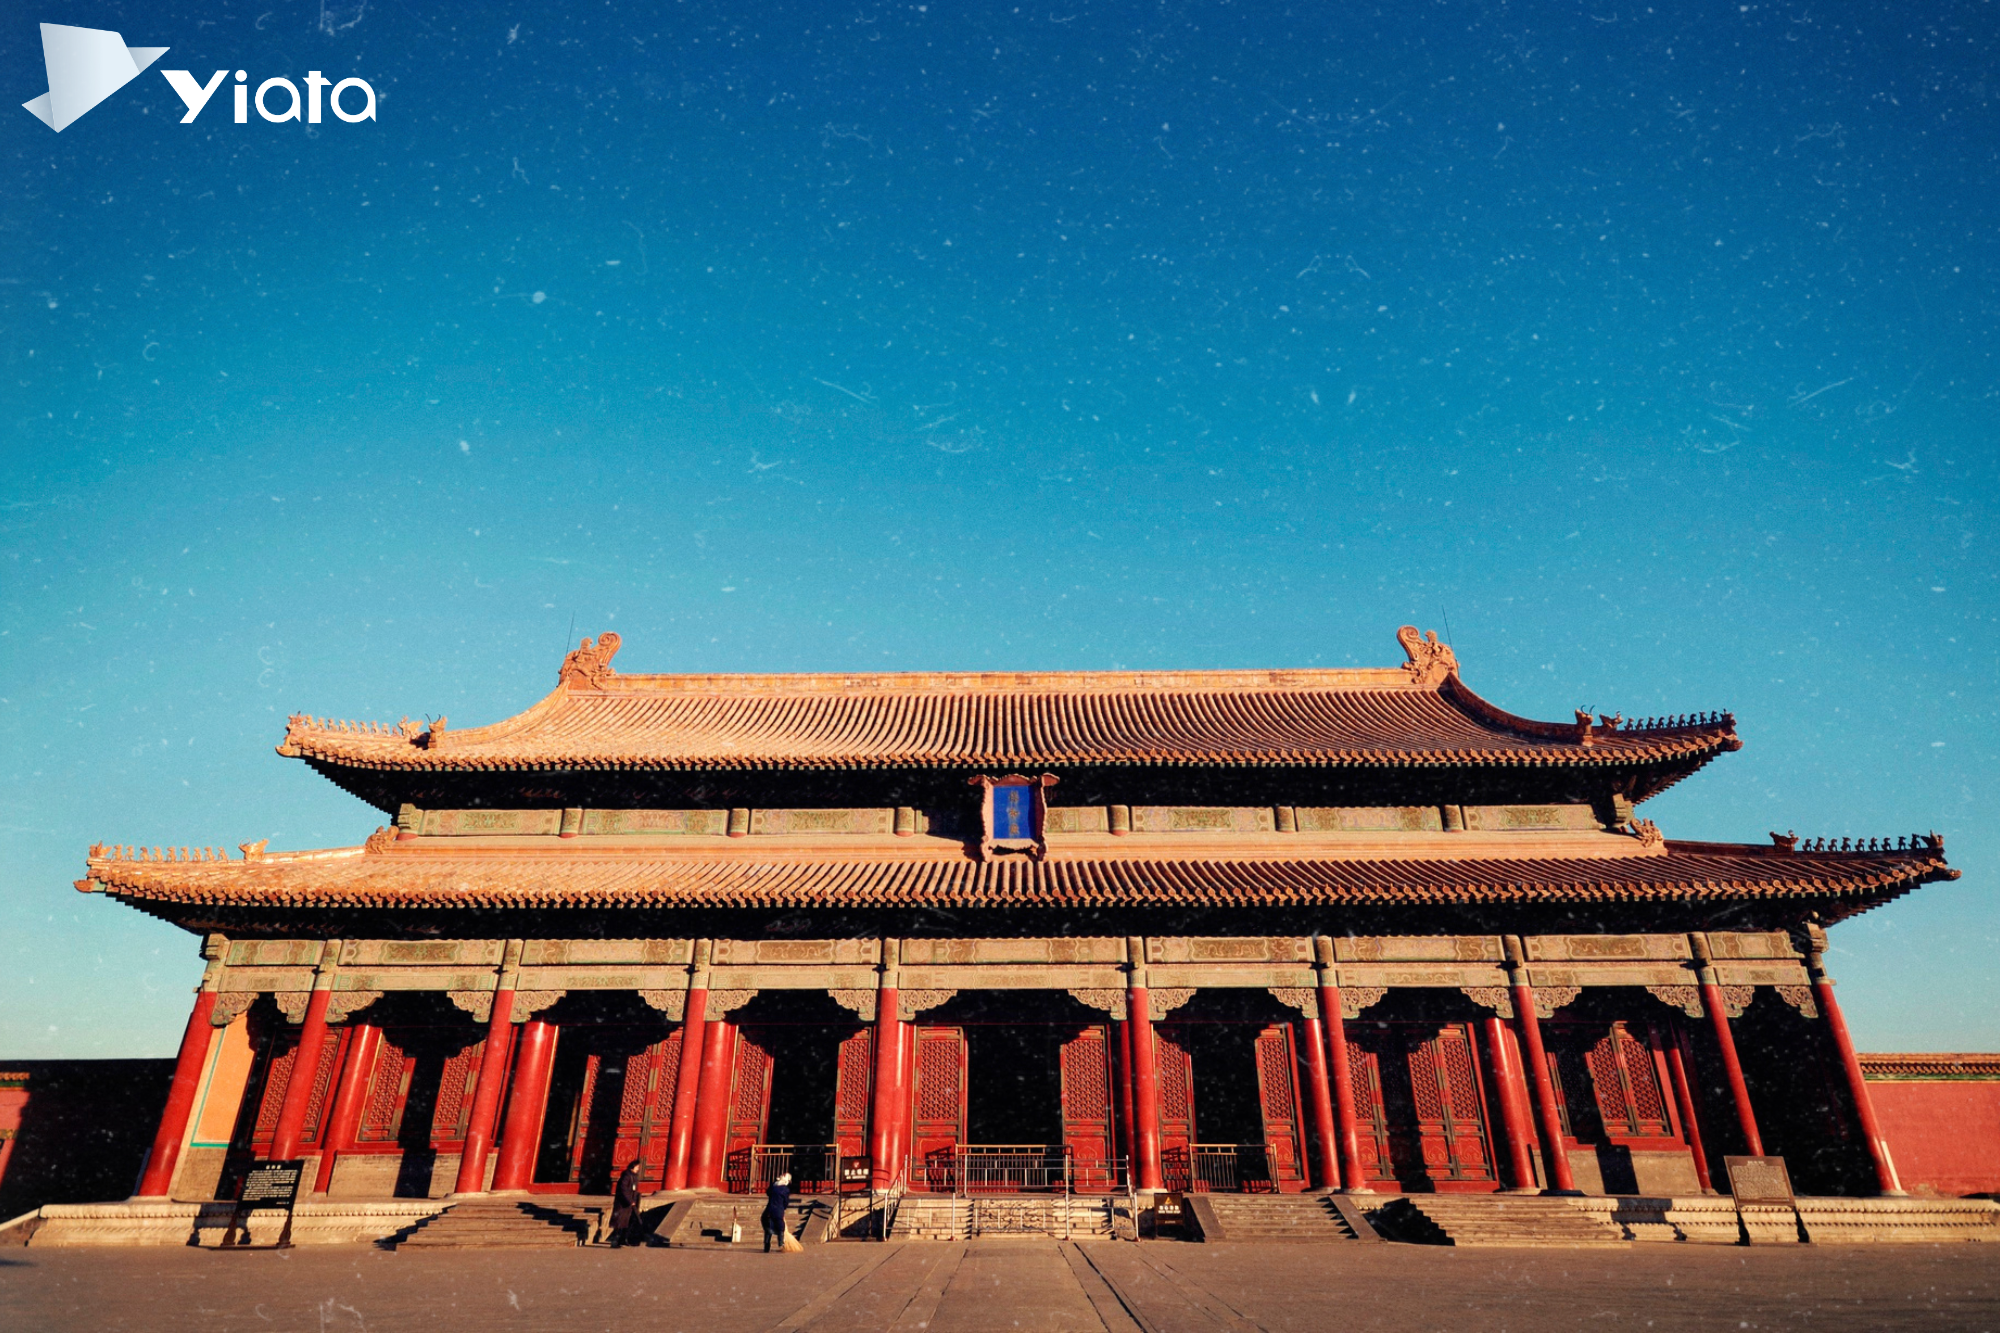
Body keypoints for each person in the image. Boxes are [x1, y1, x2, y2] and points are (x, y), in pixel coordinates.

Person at [609, 1159, 643, 1247]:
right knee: (620, 1222)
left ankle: (623, 1239)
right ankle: (615, 1241)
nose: (638, 1168)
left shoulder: (634, 1176)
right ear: (633, 1166)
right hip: (623, 1204)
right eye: (637, 1167)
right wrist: (629, 1200)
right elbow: (623, 1189)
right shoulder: (627, 1176)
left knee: (628, 1221)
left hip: (630, 1203)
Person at [762, 1172, 792, 1252]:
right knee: (781, 1227)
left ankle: (766, 1246)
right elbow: (785, 1202)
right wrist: (783, 1208)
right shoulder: (785, 1189)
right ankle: (781, 1243)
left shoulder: (773, 1186)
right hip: (778, 1210)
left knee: (768, 1228)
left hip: (769, 1210)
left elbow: (768, 1193)